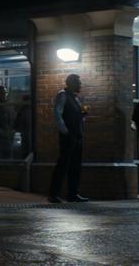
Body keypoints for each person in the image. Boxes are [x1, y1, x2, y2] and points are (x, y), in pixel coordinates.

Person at [47, 74, 89, 203]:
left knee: (75, 166)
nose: (80, 85)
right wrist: (65, 131)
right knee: (63, 165)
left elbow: (77, 117)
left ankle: (73, 194)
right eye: (78, 82)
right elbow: (57, 114)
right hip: (68, 136)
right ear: (71, 83)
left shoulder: (76, 98)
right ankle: (53, 194)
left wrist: (82, 115)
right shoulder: (63, 95)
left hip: (78, 136)